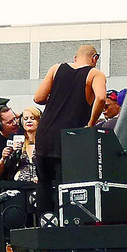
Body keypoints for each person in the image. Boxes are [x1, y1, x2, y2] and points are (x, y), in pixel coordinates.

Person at [34, 44, 106, 208]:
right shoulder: (95, 73)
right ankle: (65, 226)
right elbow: (101, 98)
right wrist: (91, 123)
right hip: (71, 138)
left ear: (75, 57)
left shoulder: (56, 69)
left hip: (45, 134)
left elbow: (38, 98)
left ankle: (44, 224)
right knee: (67, 185)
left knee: (44, 183)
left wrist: (57, 99)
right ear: (95, 58)